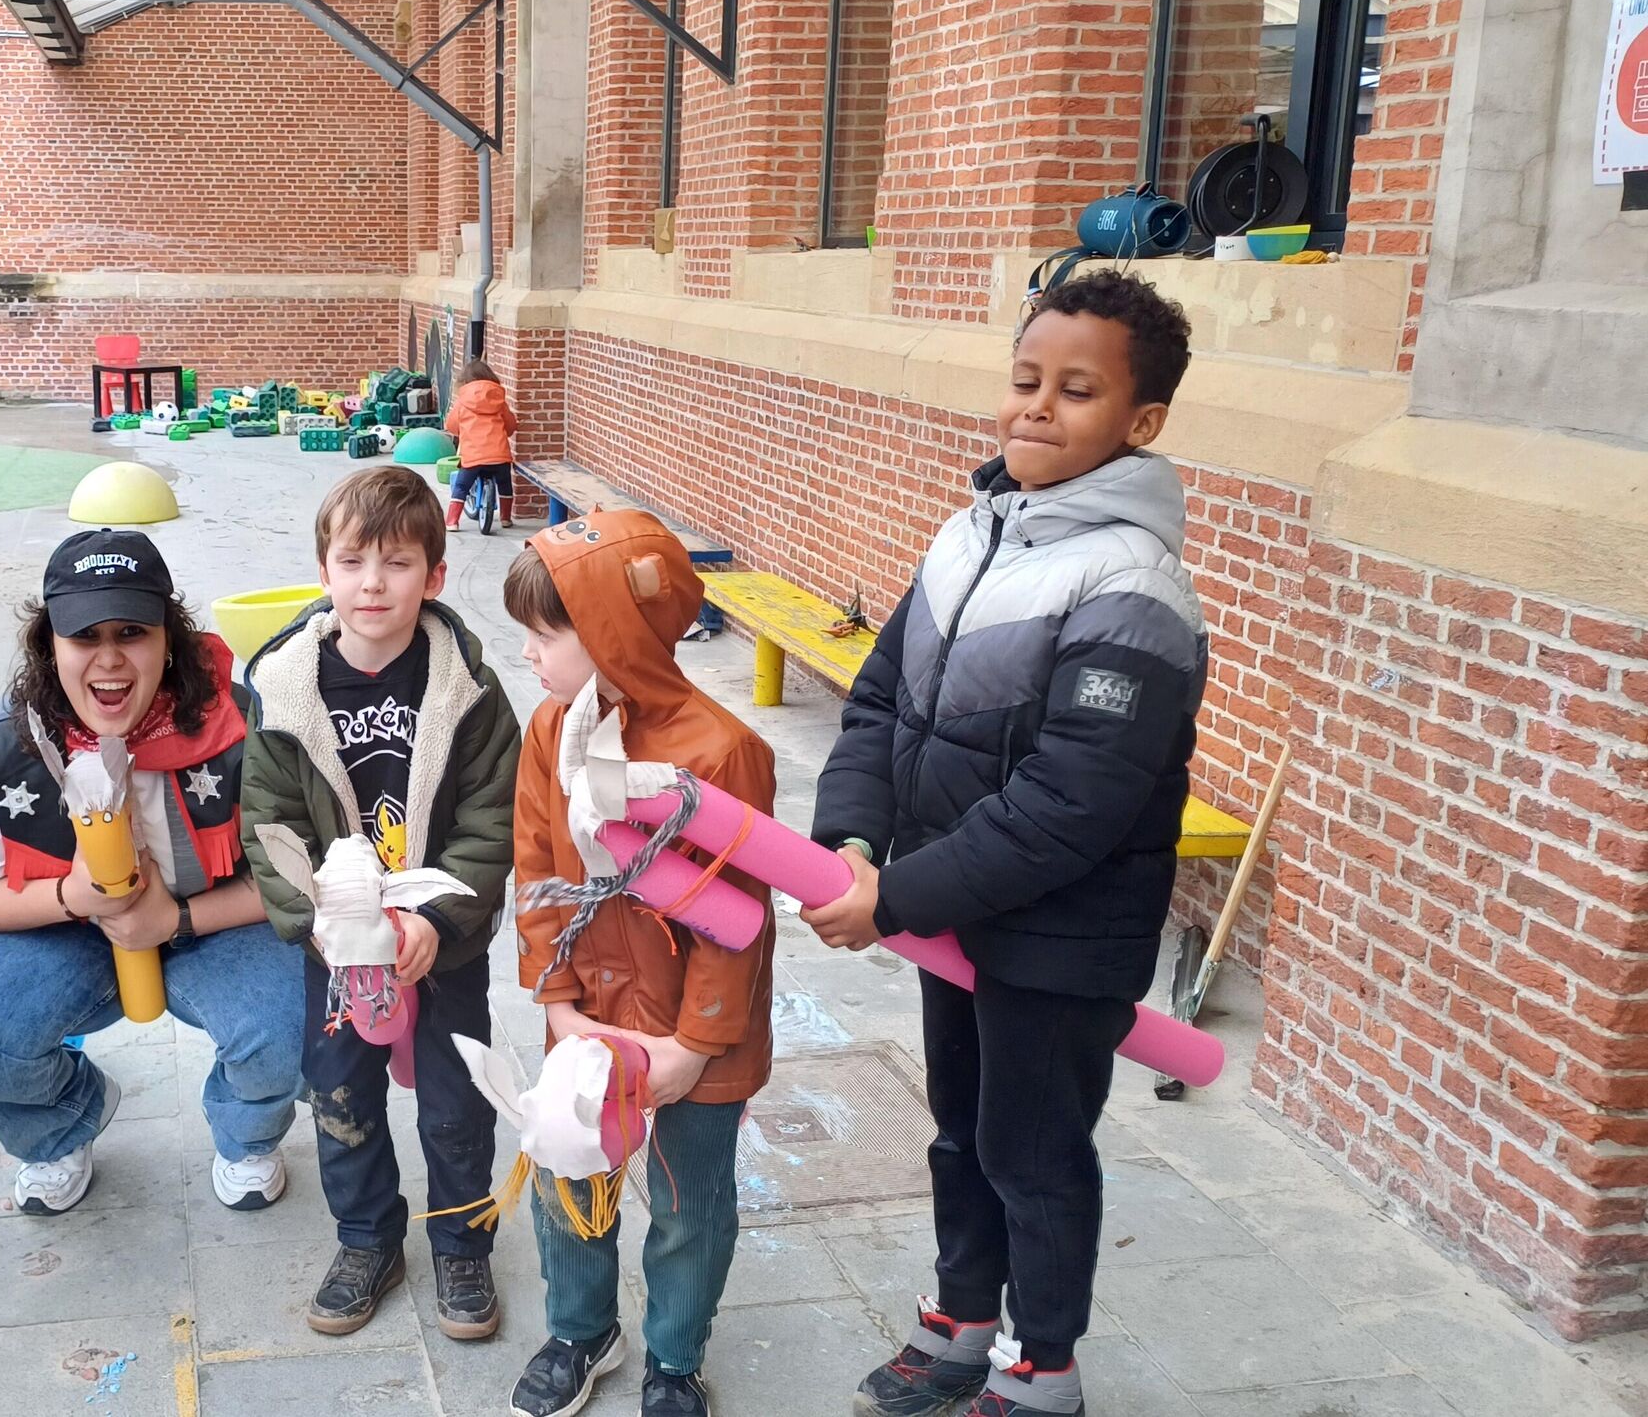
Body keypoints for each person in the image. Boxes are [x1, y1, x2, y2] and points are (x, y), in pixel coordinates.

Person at [807, 270, 1207, 1417]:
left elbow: (1066, 803)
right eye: (1025, 380)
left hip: (1058, 938)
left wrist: (892, 897)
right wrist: (849, 836)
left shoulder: (1131, 585)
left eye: (1075, 391)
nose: (1034, 407)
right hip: (954, 915)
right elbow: (880, 701)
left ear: (1139, 424)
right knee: (959, 1135)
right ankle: (960, 1320)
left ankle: (1044, 1373)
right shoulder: (966, 535)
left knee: (1031, 1151)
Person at [0, 529, 305, 1215]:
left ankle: (247, 1134)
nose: (110, 659)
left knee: (303, 1016)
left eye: (132, 631)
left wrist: (173, 919)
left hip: (216, 920)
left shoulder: (247, 725)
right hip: (67, 931)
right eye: (84, 637)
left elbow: (301, 877)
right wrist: (73, 895)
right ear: (48, 645)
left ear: (169, 641)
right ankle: (62, 1124)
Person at [501, 510, 778, 1417]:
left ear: (612, 635)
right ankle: (583, 1331)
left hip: (702, 1038)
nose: (534, 656)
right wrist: (560, 1006)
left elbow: (737, 925)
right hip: (589, 1015)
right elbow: (538, 871)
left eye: (549, 634)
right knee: (566, 1173)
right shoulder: (550, 733)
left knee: (688, 1201)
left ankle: (673, 1357)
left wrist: (695, 1047)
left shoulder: (723, 753)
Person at [239, 466, 522, 1340]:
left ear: (434, 577)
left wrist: (437, 921)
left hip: (443, 942)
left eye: (397, 562)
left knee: (455, 1099)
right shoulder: (288, 690)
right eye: (352, 559)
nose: (372, 583)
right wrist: (325, 924)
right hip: (336, 946)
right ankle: (366, 1237)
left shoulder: (466, 691)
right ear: (324, 569)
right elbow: (269, 826)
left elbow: (490, 818)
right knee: (340, 1094)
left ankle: (460, 1244)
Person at [443, 357, 519, 530]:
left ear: (465, 382)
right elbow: (511, 425)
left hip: (473, 458)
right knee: (505, 485)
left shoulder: (462, 403)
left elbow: (451, 425)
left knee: (462, 487)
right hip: (499, 457)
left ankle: (452, 521)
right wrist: (507, 432)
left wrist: (459, 432)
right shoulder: (499, 402)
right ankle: (506, 518)